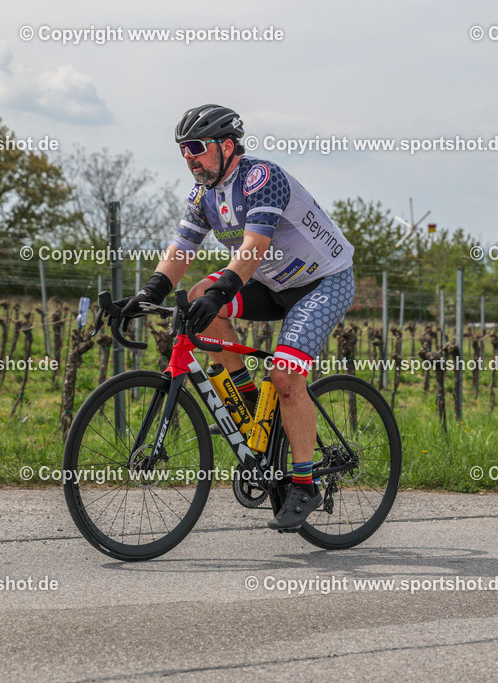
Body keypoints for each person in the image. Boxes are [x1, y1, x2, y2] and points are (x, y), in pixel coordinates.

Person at [116, 104, 356, 528]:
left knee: (284, 377)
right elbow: (181, 250)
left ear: (226, 146)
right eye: (182, 149)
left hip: (323, 282)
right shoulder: (203, 195)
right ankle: (247, 404)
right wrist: (147, 293)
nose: (189, 157)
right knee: (196, 299)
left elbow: (253, 247)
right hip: (273, 283)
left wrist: (225, 288)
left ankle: (304, 484)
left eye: (196, 147)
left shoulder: (261, 178)